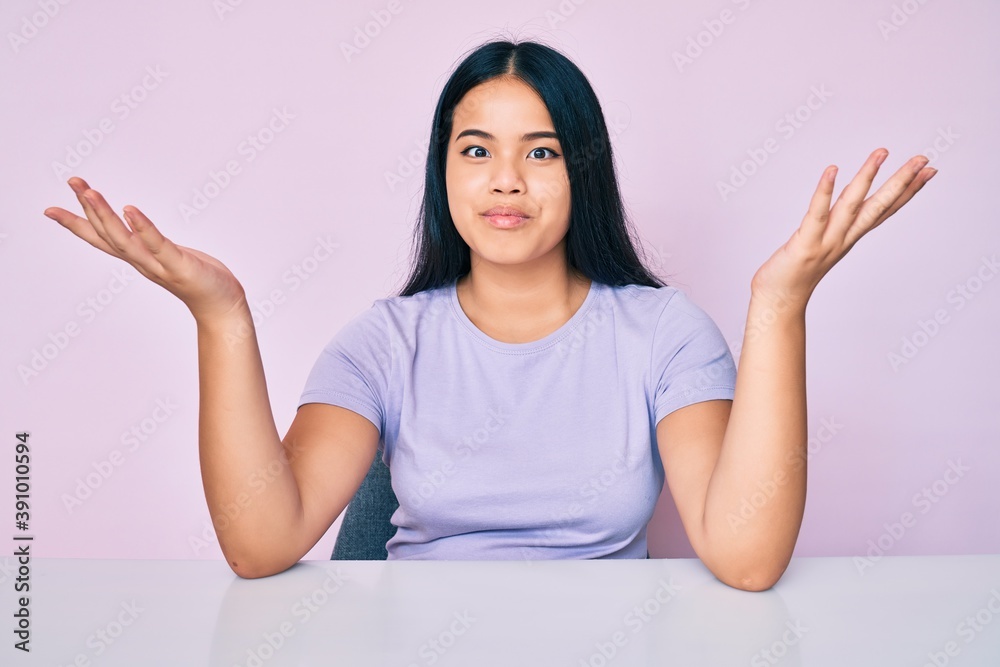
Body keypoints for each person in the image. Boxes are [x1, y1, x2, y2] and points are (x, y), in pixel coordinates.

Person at [42, 38, 936, 590]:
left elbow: (745, 558)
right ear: (446, 173)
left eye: (540, 151)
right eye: (477, 150)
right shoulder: (384, 342)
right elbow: (262, 541)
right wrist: (222, 317)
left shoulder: (662, 334)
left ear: (580, 171)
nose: (506, 179)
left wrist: (780, 305)